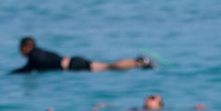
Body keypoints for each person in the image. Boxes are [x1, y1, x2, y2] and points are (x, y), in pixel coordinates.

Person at [10, 37, 152, 73]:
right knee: (107, 66)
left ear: (26, 47)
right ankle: (138, 62)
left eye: (20, 49)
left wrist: (11, 74)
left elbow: (27, 69)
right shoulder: (40, 52)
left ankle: (138, 63)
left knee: (108, 67)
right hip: (73, 62)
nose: (20, 52)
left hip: (73, 65)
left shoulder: (34, 56)